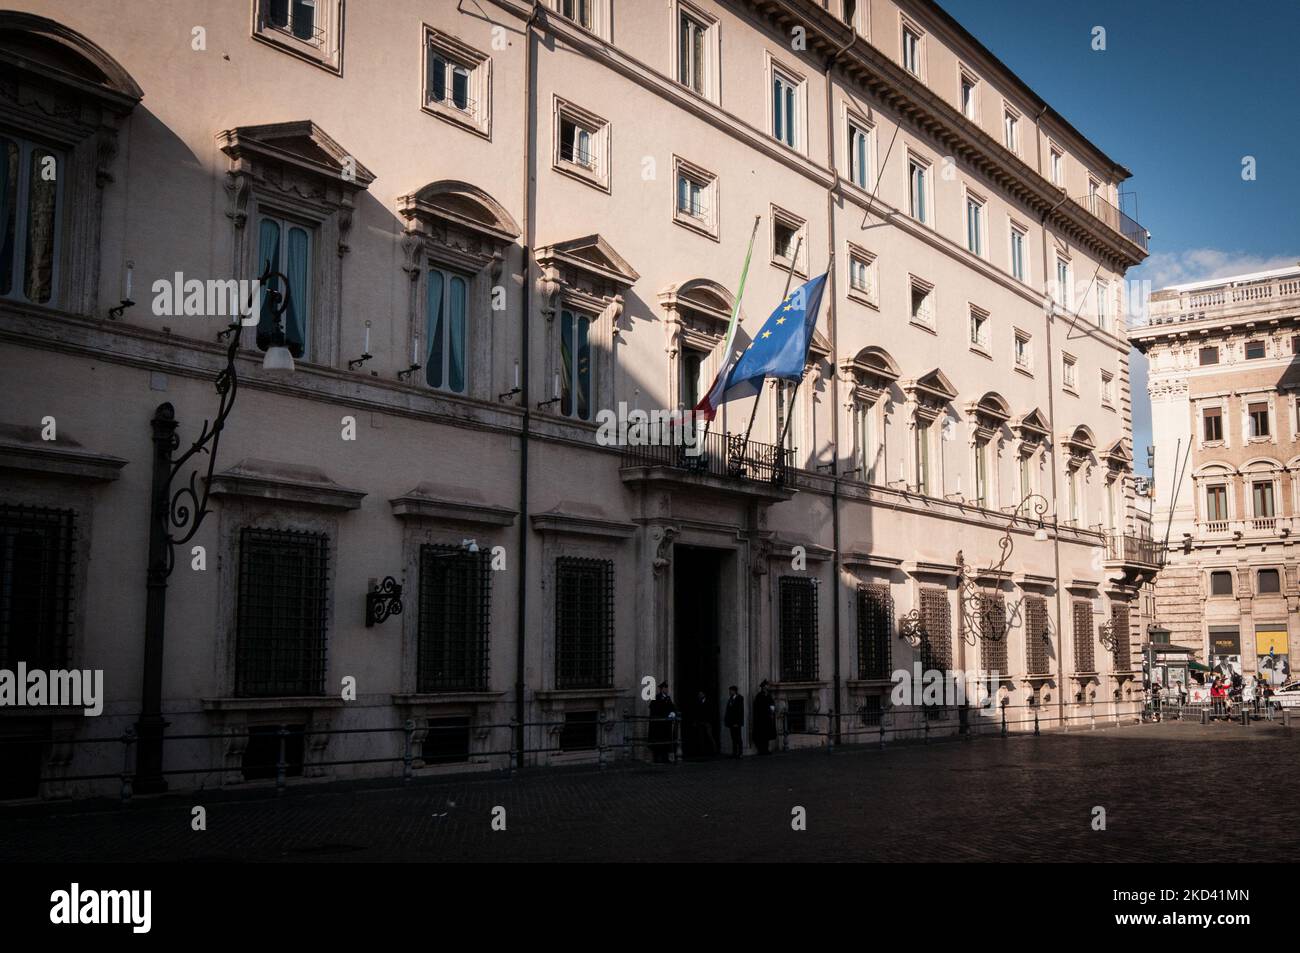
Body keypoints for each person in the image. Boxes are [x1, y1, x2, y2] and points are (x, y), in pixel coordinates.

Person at [648, 680, 676, 763]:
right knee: (658, 740)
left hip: (666, 724)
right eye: (665, 688)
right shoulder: (656, 698)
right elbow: (654, 709)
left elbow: (672, 707)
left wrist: (672, 713)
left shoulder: (668, 698)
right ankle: (657, 758)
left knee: (666, 740)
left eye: (667, 688)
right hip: (658, 724)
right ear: (661, 689)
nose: (666, 689)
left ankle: (666, 758)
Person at [752, 680, 776, 755]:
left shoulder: (769, 695)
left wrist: (772, 712)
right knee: (761, 734)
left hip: (768, 718)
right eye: (766, 685)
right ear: (763, 687)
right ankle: (761, 750)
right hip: (761, 718)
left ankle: (766, 749)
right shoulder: (759, 696)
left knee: (767, 734)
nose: (767, 687)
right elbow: (756, 707)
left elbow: (772, 704)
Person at [690, 690, 716, 757]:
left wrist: (709, 721)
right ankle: (702, 752)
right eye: (699, 694)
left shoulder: (709, 702)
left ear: (704, 695)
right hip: (700, 722)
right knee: (701, 737)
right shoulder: (698, 702)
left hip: (707, 722)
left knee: (709, 736)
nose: (699, 695)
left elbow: (711, 712)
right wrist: (695, 721)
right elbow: (696, 712)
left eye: (701, 694)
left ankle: (714, 751)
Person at [723, 685, 745, 758]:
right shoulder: (730, 699)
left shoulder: (739, 698)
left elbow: (740, 711)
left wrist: (738, 722)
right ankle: (734, 752)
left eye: (731, 690)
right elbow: (729, 711)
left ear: (734, 691)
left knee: (738, 737)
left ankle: (740, 752)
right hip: (731, 722)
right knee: (733, 738)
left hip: (737, 722)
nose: (729, 692)